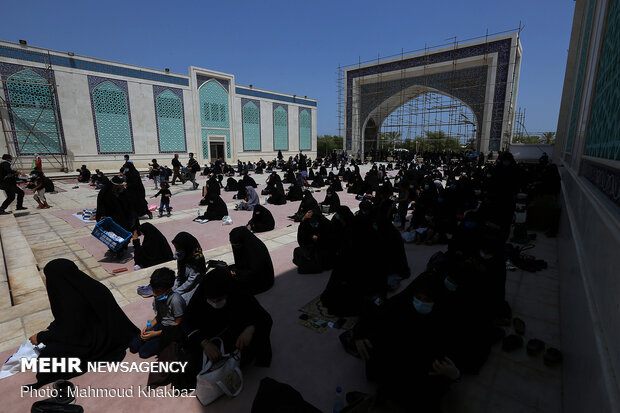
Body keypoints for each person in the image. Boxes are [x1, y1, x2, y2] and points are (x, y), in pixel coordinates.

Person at [28, 259, 139, 387]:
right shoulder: (92, 286)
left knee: (48, 357)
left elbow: (73, 333)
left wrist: (41, 337)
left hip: (93, 342)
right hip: (111, 334)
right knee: (52, 333)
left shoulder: (69, 300)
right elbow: (71, 321)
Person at [180, 268, 272, 388]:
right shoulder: (201, 294)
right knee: (190, 366)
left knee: (254, 340)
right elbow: (187, 321)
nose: (215, 302)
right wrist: (205, 343)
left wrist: (250, 329)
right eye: (211, 300)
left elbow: (264, 317)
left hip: (235, 332)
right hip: (208, 336)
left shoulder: (238, 292)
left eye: (219, 299)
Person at [129, 268, 185, 359]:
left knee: (143, 353)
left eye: (157, 291)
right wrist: (147, 327)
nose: (154, 294)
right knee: (133, 346)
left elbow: (178, 325)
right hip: (161, 325)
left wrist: (156, 334)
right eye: (153, 290)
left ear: (168, 289)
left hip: (171, 331)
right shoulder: (159, 297)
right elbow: (158, 316)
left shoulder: (175, 300)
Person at [229, 226, 275, 295]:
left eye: (237, 244)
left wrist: (237, 273)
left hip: (261, 280)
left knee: (232, 286)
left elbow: (256, 271)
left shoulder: (256, 248)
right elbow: (240, 264)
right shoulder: (244, 245)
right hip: (249, 271)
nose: (235, 247)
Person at [171, 232, 206, 303]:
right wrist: (175, 287)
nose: (177, 250)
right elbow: (180, 273)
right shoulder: (183, 255)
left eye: (178, 248)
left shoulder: (196, 258)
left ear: (186, 246)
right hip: (185, 280)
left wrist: (178, 291)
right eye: (176, 248)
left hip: (196, 281)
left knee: (182, 300)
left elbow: (192, 279)